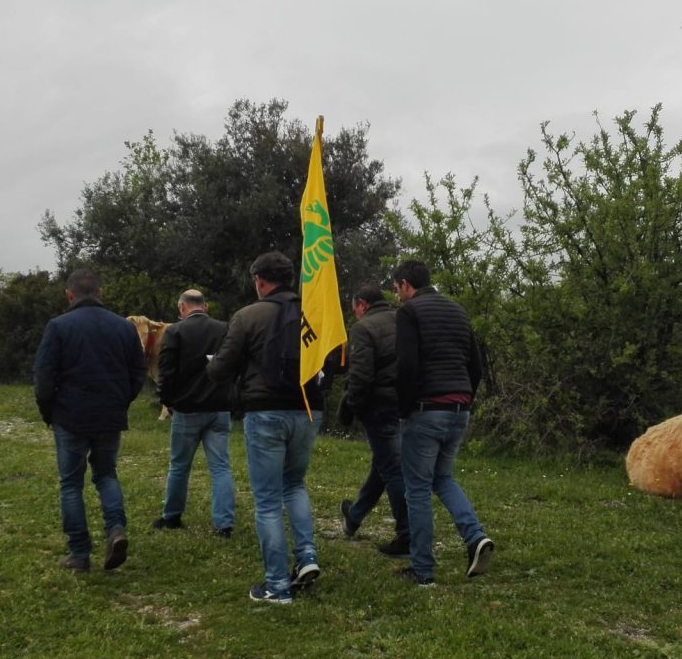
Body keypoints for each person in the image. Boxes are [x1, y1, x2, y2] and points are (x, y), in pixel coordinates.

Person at [207, 251, 323, 604]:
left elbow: (221, 368)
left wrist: (218, 371)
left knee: (268, 501)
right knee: (294, 484)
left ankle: (276, 586)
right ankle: (306, 558)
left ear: (260, 281)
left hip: (265, 410)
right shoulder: (315, 313)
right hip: (308, 410)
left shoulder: (247, 316)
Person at [33, 269, 146, 573]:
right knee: (106, 475)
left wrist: (49, 412)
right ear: (101, 293)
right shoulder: (124, 327)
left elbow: (44, 378)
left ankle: (79, 554)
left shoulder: (58, 327)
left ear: (69, 295)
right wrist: (121, 401)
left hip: (70, 416)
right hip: (109, 414)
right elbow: (138, 373)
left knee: (71, 484)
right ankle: (116, 530)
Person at [391, 259, 494, 586]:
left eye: (397, 290)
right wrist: (464, 398)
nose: (397, 297)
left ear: (406, 284)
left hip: (426, 410)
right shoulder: (458, 311)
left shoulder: (409, 313)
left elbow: (406, 366)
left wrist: (403, 408)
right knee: (443, 478)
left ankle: (422, 570)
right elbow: (476, 366)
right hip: (459, 407)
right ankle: (475, 537)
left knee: (417, 489)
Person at [152, 289, 235, 537]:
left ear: (181, 308)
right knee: (220, 466)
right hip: (219, 407)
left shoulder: (175, 332)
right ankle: (224, 524)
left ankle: (172, 517)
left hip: (187, 409)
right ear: (205, 307)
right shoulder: (224, 329)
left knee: (179, 465)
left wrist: (168, 401)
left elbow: (165, 371)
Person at [338, 284, 410, 558]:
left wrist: (351, 406)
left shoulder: (363, 328)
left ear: (362, 304)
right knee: (384, 462)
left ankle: (407, 534)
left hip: (378, 406)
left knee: (391, 468)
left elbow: (362, 375)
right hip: (403, 402)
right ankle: (354, 516)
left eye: (354, 307)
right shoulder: (401, 319)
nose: (354, 313)